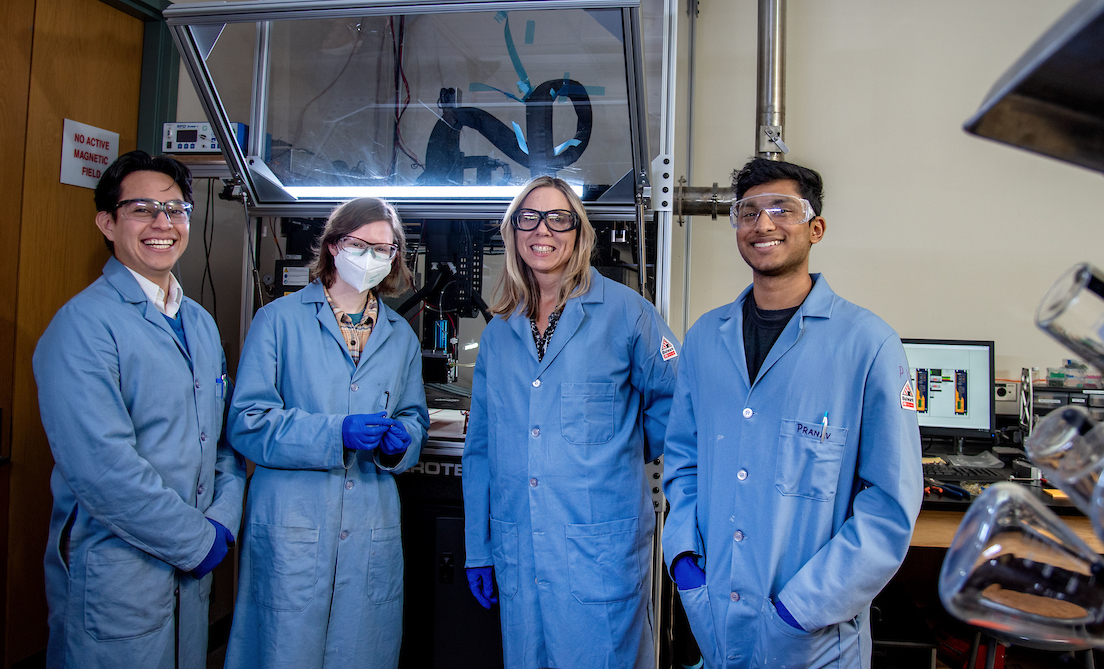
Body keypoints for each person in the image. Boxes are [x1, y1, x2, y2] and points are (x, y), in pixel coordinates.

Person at [662, 158, 923, 668]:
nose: (763, 224)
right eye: (748, 211)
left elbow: (889, 506)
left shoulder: (868, 344)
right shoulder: (705, 339)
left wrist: (800, 610)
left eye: (782, 209)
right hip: (716, 615)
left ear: (815, 228)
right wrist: (685, 564)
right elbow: (683, 462)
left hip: (811, 636)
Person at [32, 150, 247, 668]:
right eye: (142, 209)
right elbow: (103, 469)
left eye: (176, 210)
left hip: (191, 573)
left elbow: (222, 442)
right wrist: (198, 541)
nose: (162, 224)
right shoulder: (83, 326)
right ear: (107, 222)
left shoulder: (198, 322)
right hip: (117, 573)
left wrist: (223, 519)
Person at [461, 176, 680, 668]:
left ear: (579, 232)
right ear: (514, 232)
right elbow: (481, 450)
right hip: (521, 547)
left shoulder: (628, 315)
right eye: (529, 218)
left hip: (598, 554)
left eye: (558, 218)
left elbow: (677, 406)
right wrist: (479, 546)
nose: (543, 230)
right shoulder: (500, 332)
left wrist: (618, 448)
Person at [223, 197, 428, 668]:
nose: (374, 257)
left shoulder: (400, 336)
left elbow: (414, 418)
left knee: (360, 651)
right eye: (361, 245)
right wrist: (336, 433)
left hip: (369, 523)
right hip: (293, 521)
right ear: (334, 246)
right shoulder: (277, 321)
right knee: (281, 650)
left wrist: (402, 444)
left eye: (386, 248)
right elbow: (247, 423)